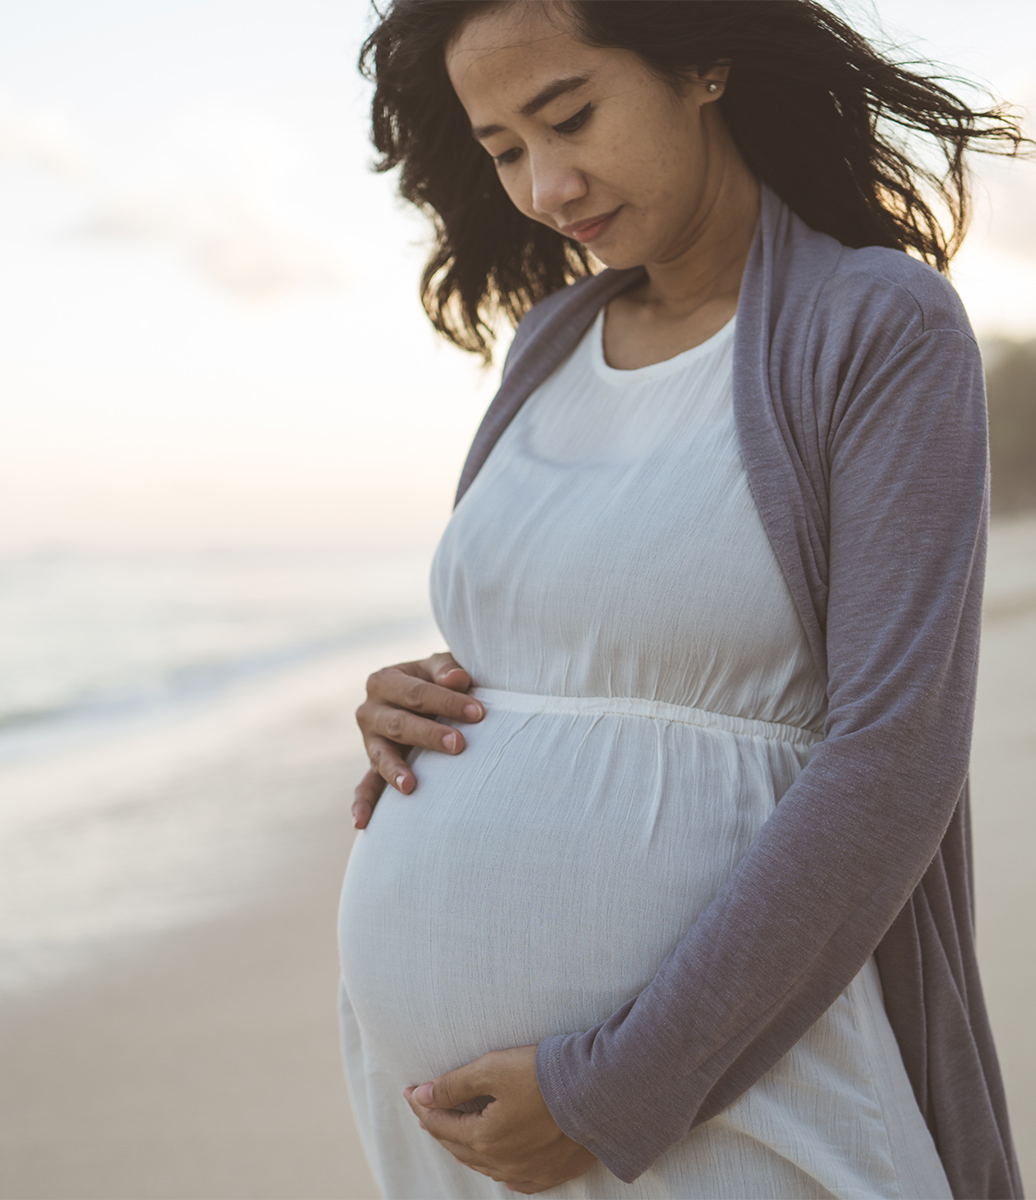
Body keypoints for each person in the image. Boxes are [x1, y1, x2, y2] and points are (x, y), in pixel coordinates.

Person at [336, 2, 1026, 1196]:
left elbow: (896, 755)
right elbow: (569, 655)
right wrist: (421, 703)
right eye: (504, 149)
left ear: (703, 59)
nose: (550, 184)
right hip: (461, 1128)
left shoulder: (873, 324)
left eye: (572, 115)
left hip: (725, 1092)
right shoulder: (549, 343)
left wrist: (615, 1089)